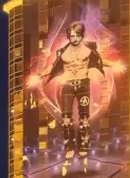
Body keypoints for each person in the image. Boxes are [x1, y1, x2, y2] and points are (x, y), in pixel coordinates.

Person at [38, 20, 110, 170]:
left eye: (77, 35)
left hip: (84, 83)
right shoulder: (63, 51)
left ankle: (83, 145)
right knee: (66, 118)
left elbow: (100, 61)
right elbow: (52, 68)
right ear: (68, 36)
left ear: (81, 35)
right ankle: (69, 146)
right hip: (68, 85)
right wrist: (40, 75)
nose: (74, 38)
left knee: (84, 117)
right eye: (71, 36)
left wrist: (115, 64)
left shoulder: (90, 48)